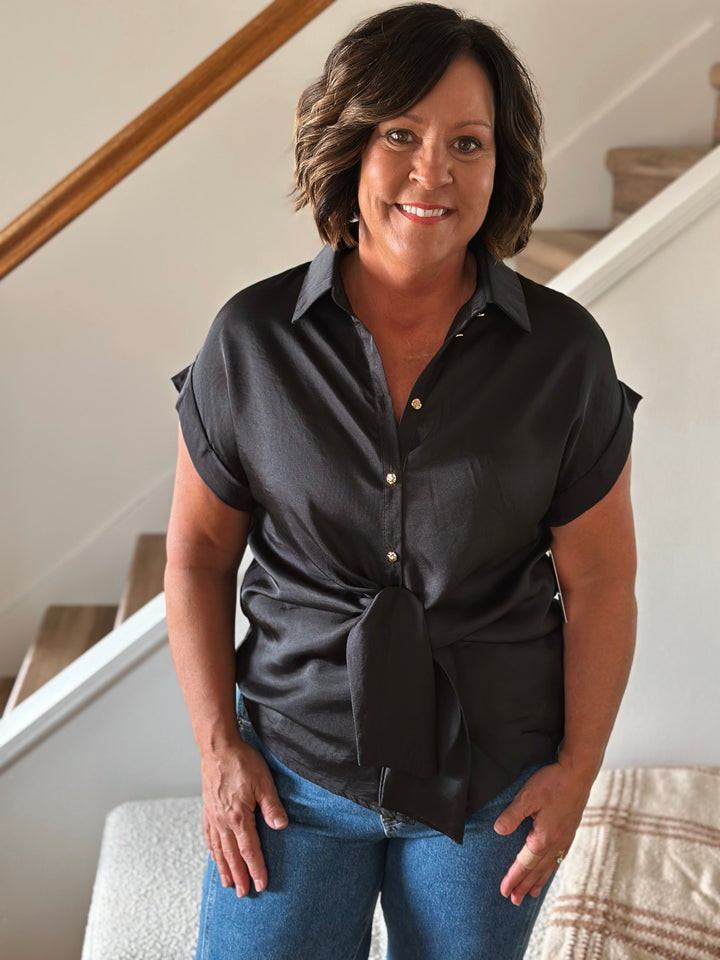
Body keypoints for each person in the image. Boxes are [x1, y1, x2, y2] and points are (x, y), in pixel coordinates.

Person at [165, 4, 641, 958]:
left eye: (469, 142)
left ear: (501, 164)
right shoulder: (252, 343)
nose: (435, 172)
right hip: (293, 774)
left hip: (491, 783)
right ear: (351, 146)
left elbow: (598, 583)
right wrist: (220, 748)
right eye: (400, 135)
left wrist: (580, 768)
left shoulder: (564, 356)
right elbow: (196, 556)